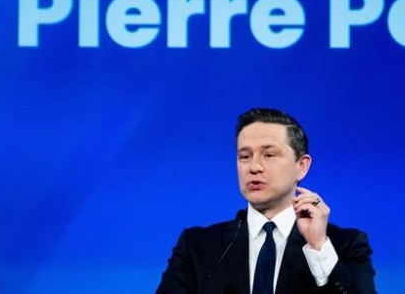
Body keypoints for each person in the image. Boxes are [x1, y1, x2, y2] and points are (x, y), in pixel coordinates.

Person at [156, 108, 377, 294]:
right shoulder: (197, 246)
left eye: (269, 155)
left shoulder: (344, 245)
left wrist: (318, 247)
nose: (254, 167)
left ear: (301, 166)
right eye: (245, 156)